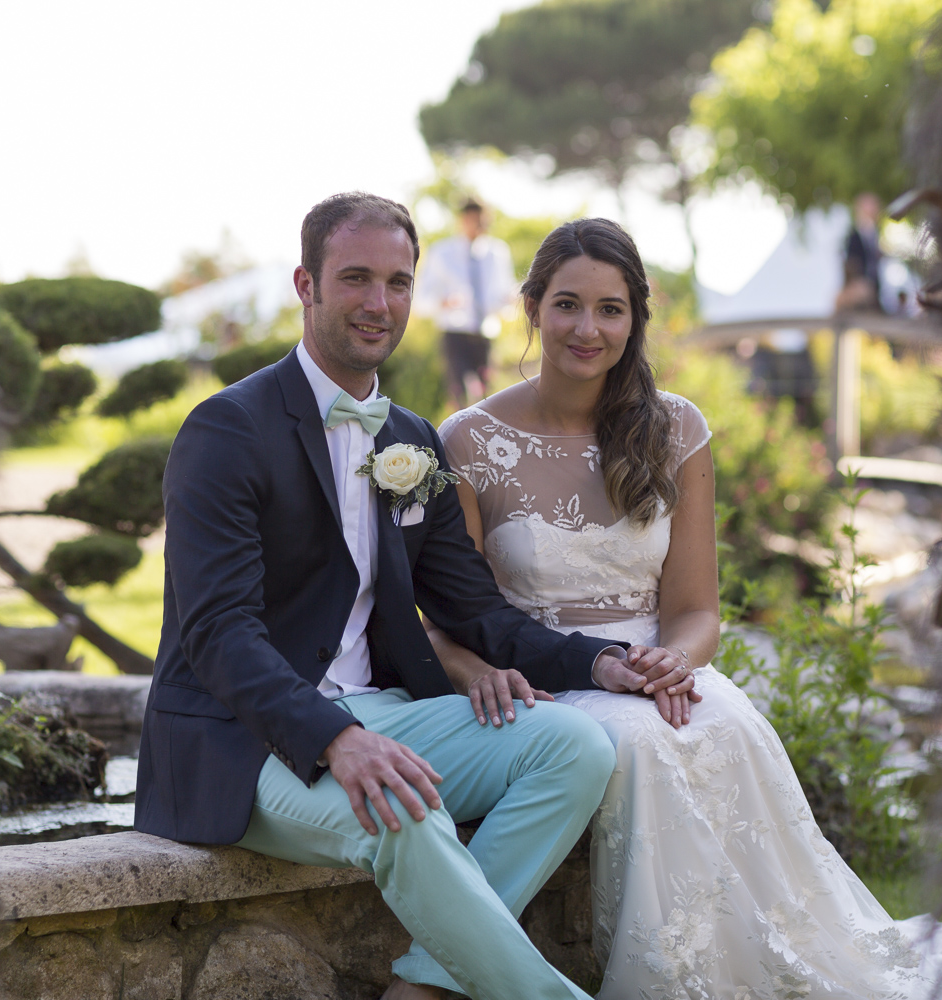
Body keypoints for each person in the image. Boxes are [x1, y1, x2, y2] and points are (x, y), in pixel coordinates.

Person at [136, 193, 688, 1000]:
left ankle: (423, 986)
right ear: (306, 284)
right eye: (355, 278)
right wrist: (335, 739)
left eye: (397, 283)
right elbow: (219, 633)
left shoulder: (410, 440)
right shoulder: (226, 430)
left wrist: (602, 662)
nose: (378, 303)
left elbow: (477, 612)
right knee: (405, 807)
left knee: (576, 748)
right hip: (244, 742)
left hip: (383, 711)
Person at [434, 218, 942, 1000]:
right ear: (532, 308)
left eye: (611, 309)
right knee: (642, 746)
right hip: (549, 674)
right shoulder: (467, 440)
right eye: (567, 304)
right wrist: (476, 671)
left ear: (635, 319)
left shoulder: (675, 428)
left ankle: (766, 959)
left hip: (661, 666)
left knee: (732, 726)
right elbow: (451, 614)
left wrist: (674, 661)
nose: (588, 329)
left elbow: (696, 610)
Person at [417, 198, 516, 408]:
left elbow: (505, 294)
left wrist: (510, 300)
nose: (479, 226)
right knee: (460, 395)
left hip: (486, 334)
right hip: (455, 334)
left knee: (487, 398)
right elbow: (421, 299)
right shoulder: (441, 253)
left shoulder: (498, 253)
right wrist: (443, 302)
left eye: (483, 221)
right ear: (462, 220)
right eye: (474, 221)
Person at [837, 191, 884, 313]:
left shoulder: (873, 234)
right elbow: (852, 262)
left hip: (872, 285)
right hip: (860, 283)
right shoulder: (855, 236)